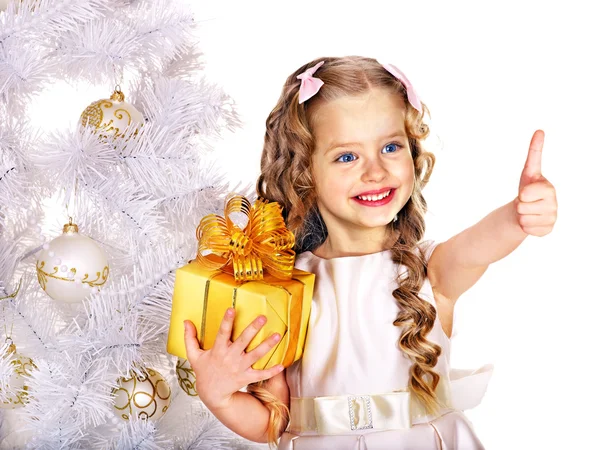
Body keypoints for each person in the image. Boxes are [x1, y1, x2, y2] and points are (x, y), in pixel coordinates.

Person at [182, 55, 558, 449]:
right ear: (304, 172)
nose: (375, 171)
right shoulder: (285, 290)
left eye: (391, 147)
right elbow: (272, 423)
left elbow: (479, 246)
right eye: (347, 156)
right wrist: (218, 395)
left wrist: (517, 217)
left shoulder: (429, 273)